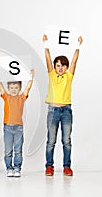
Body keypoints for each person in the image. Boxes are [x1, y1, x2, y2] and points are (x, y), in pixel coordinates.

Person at [42, 34, 83, 176]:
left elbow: (74, 62)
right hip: (53, 110)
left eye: (63, 65)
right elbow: (47, 59)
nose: (60, 68)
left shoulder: (68, 76)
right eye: (57, 65)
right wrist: (46, 44)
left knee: (66, 140)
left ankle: (67, 166)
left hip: (66, 110)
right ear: (54, 67)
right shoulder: (52, 75)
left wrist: (77, 46)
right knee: (51, 140)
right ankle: (49, 166)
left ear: (66, 67)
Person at [0, 66, 34, 177]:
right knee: (8, 151)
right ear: (8, 88)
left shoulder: (22, 97)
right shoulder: (6, 97)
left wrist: (31, 77)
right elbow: (0, 86)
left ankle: (17, 168)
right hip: (7, 127)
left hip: (18, 128)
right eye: (11, 87)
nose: (13, 89)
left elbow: (28, 88)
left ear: (19, 88)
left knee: (18, 150)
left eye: (16, 87)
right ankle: (9, 168)